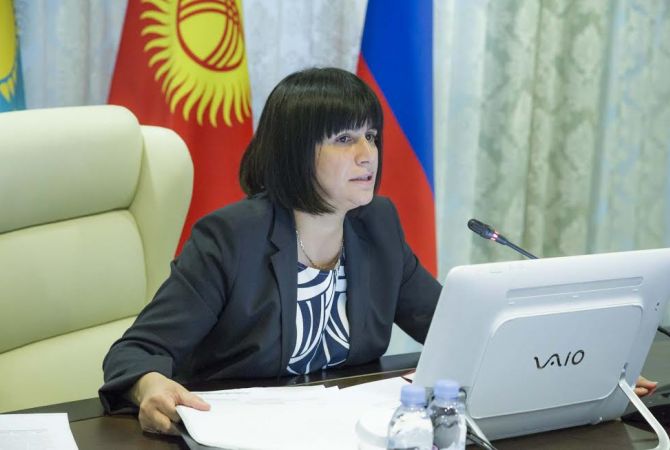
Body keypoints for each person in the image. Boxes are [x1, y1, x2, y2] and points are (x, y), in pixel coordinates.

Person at [99, 67, 442, 435]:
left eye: (371, 136)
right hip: (237, 433)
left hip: (339, 431)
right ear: (295, 152)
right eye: (345, 139)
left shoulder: (378, 225)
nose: (368, 154)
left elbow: (447, 325)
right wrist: (151, 386)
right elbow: (135, 352)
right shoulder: (231, 238)